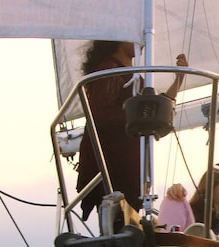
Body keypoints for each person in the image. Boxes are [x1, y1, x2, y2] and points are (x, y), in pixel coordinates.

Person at [75, 41, 187, 221]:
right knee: (119, 223)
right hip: (114, 166)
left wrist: (178, 80)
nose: (141, 42)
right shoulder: (110, 69)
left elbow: (155, 116)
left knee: (124, 224)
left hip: (128, 168)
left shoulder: (131, 76)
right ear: (120, 39)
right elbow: (99, 114)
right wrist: (136, 118)